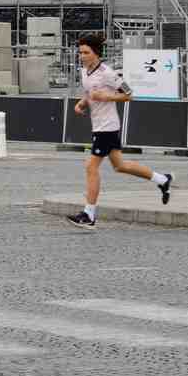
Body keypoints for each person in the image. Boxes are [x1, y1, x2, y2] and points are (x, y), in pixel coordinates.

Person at [66, 34, 173, 231]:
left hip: (107, 126)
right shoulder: (84, 72)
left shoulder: (108, 73)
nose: (81, 56)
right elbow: (90, 92)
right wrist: (82, 103)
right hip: (98, 125)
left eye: (86, 52)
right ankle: (162, 179)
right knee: (120, 165)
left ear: (96, 53)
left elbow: (129, 94)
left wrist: (105, 96)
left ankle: (89, 214)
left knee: (91, 167)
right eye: (80, 52)